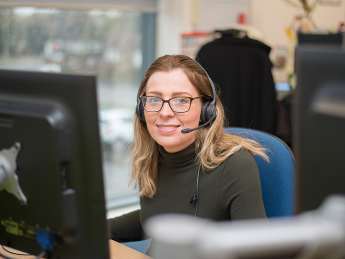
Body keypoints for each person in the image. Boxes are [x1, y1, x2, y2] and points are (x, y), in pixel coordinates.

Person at [108, 54, 268, 255]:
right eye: (155, 99)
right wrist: (92, 229)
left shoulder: (235, 164)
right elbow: (157, 214)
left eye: (181, 100)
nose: (165, 112)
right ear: (142, 108)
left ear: (207, 110)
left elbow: (258, 253)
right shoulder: (151, 156)